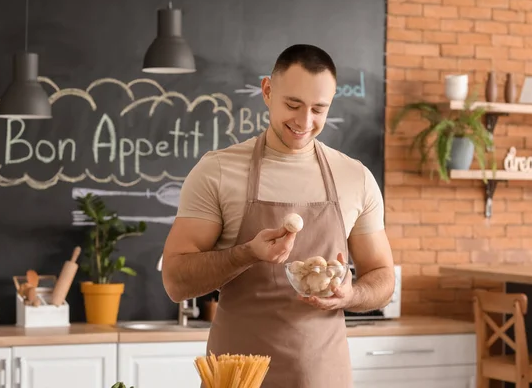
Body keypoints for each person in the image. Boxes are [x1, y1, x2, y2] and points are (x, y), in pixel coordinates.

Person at [162, 43, 395, 388]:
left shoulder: (355, 177)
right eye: (293, 104)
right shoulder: (218, 171)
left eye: (319, 109)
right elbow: (175, 281)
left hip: (322, 375)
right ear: (268, 91)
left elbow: (382, 276)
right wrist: (247, 253)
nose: (304, 122)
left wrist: (352, 295)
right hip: (237, 376)